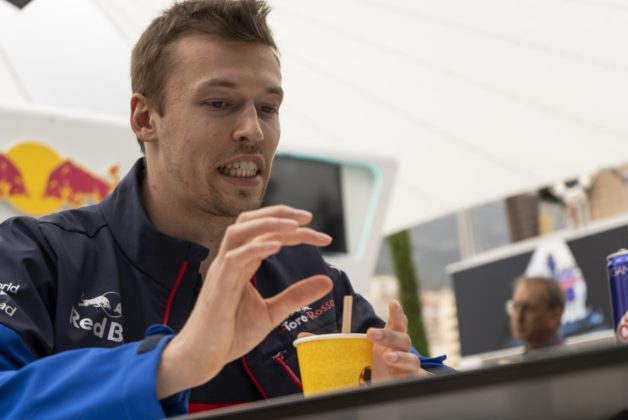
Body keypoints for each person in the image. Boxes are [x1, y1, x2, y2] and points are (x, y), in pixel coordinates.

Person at [0, 1, 449, 418]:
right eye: (219, 103)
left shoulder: (306, 276)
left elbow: (444, 387)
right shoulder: (37, 258)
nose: (252, 130)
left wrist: (411, 393)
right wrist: (175, 362)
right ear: (144, 118)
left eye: (268, 108)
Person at [507, 276, 565, 353]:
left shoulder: (570, 359)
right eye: (515, 307)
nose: (518, 317)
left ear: (554, 316)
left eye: (528, 308)